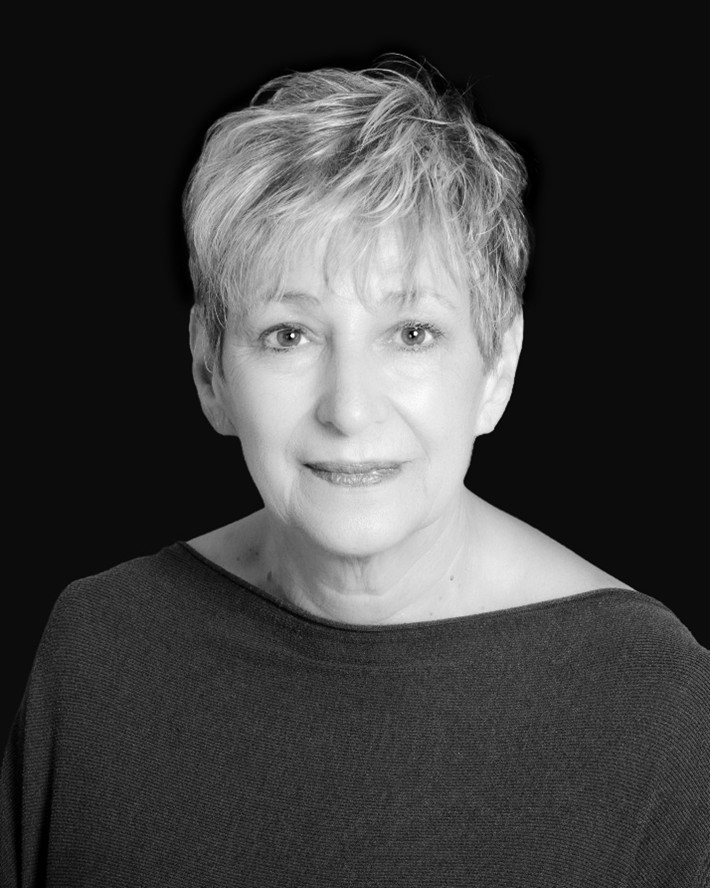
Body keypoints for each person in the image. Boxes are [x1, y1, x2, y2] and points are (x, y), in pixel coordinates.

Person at [1, 59, 708, 887]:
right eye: (289, 335)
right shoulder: (98, 654)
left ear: (498, 365)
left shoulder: (658, 705)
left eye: (412, 333)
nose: (349, 407)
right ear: (207, 370)